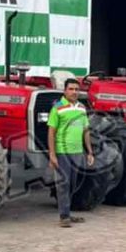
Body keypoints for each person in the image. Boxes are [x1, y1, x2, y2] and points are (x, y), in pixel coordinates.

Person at [47, 78, 95, 227]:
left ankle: (67, 211)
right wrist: (52, 154)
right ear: (65, 91)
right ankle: (64, 217)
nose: (74, 92)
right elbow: (51, 133)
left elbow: (85, 131)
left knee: (73, 184)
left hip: (77, 152)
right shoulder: (57, 108)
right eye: (71, 89)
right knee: (63, 184)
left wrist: (89, 152)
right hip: (62, 152)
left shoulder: (81, 108)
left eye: (76, 89)